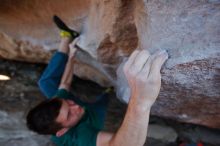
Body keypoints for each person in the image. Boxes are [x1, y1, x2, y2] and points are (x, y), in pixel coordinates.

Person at [26, 15, 168, 146]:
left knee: (45, 83)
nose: (75, 106)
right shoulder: (81, 136)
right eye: (69, 114)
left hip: (72, 114)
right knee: (100, 105)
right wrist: (140, 102)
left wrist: (71, 57)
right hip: (90, 118)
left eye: (68, 103)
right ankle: (107, 92)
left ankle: (67, 37)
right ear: (62, 131)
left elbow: (65, 84)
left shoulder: (59, 106)